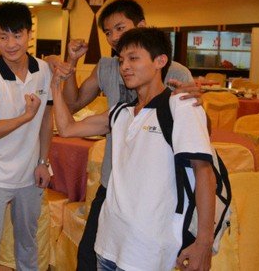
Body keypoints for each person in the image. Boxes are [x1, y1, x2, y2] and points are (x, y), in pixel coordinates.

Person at [52, 27, 216, 271]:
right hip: (108, 242)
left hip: (148, 249)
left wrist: (204, 242)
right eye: (121, 61)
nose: (125, 67)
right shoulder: (122, 111)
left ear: (160, 61)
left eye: (133, 58)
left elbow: (204, 173)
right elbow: (67, 128)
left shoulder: (180, 106)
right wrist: (56, 86)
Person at [0, 2, 53, 271]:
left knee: (28, 245)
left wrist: (43, 161)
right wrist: (24, 117)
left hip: (30, 176)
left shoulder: (43, 70)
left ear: (29, 34)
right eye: (3, 37)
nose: (11, 44)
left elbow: (46, 119)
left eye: (17, 35)